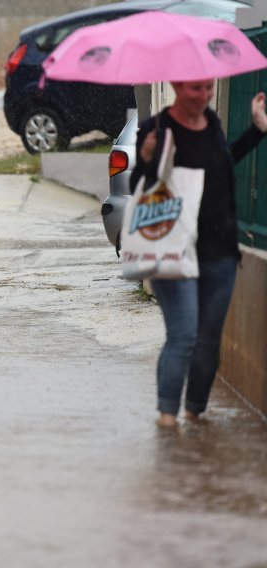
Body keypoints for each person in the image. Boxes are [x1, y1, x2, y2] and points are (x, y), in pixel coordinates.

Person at [131, 80, 267, 427]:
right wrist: (146, 160)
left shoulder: (213, 124)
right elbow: (139, 191)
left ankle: (194, 413)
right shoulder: (157, 128)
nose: (204, 95)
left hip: (219, 252)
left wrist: (256, 130)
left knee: (208, 341)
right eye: (196, 89)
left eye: (208, 88)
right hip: (173, 250)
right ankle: (166, 419)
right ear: (177, 85)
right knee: (184, 334)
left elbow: (223, 162)